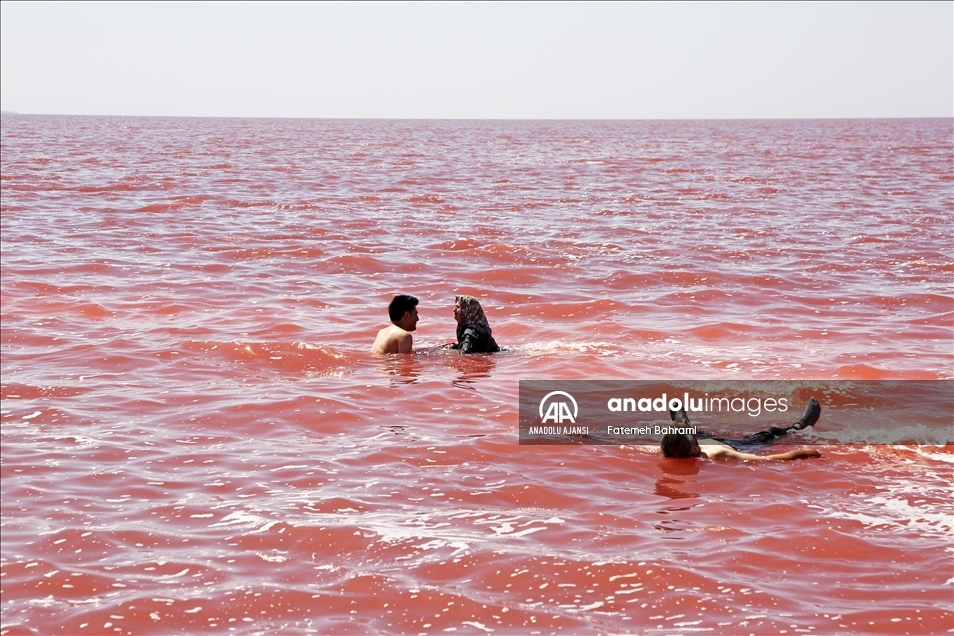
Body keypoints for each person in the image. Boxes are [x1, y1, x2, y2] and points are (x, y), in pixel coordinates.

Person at [661, 398, 822, 461]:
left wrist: (799, 454)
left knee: (772, 432)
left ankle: (800, 425)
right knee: (773, 432)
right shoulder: (668, 450)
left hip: (722, 443)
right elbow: (765, 460)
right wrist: (800, 454)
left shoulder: (715, 453)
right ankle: (800, 425)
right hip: (719, 443)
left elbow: (765, 460)